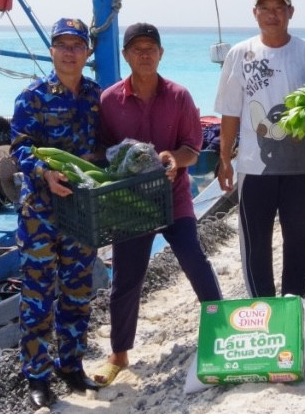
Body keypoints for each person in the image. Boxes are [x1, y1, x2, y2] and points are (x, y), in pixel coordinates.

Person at [92, 22, 222, 387]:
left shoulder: (179, 96)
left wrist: (172, 160)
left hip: (174, 198)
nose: (145, 54)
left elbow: (193, 150)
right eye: (137, 49)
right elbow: (102, 150)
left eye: (151, 48)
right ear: (126, 56)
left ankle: (222, 331)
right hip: (130, 205)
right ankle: (118, 354)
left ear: (161, 54)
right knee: (126, 279)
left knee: (194, 259)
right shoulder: (108, 100)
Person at [215, 0, 305, 299]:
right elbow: (229, 112)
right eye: (264, 8)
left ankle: (294, 304)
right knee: (255, 242)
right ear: (255, 13)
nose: (272, 14)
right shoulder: (240, 54)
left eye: (278, 7)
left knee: (300, 238)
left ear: (290, 12)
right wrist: (224, 159)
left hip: (298, 167)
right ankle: (262, 304)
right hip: (254, 170)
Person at [10, 17, 101, 408]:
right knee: (37, 295)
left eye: (76, 45)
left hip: (82, 210)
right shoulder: (32, 96)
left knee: (78, 292)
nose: (69, 52)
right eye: (61, 45)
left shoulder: (97, 96)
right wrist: (44, 172)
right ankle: (37, 377)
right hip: (41, 213)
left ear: (87, 52)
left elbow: (107, 145)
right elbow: (20, 147)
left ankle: (72, 365)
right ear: (51, 51)